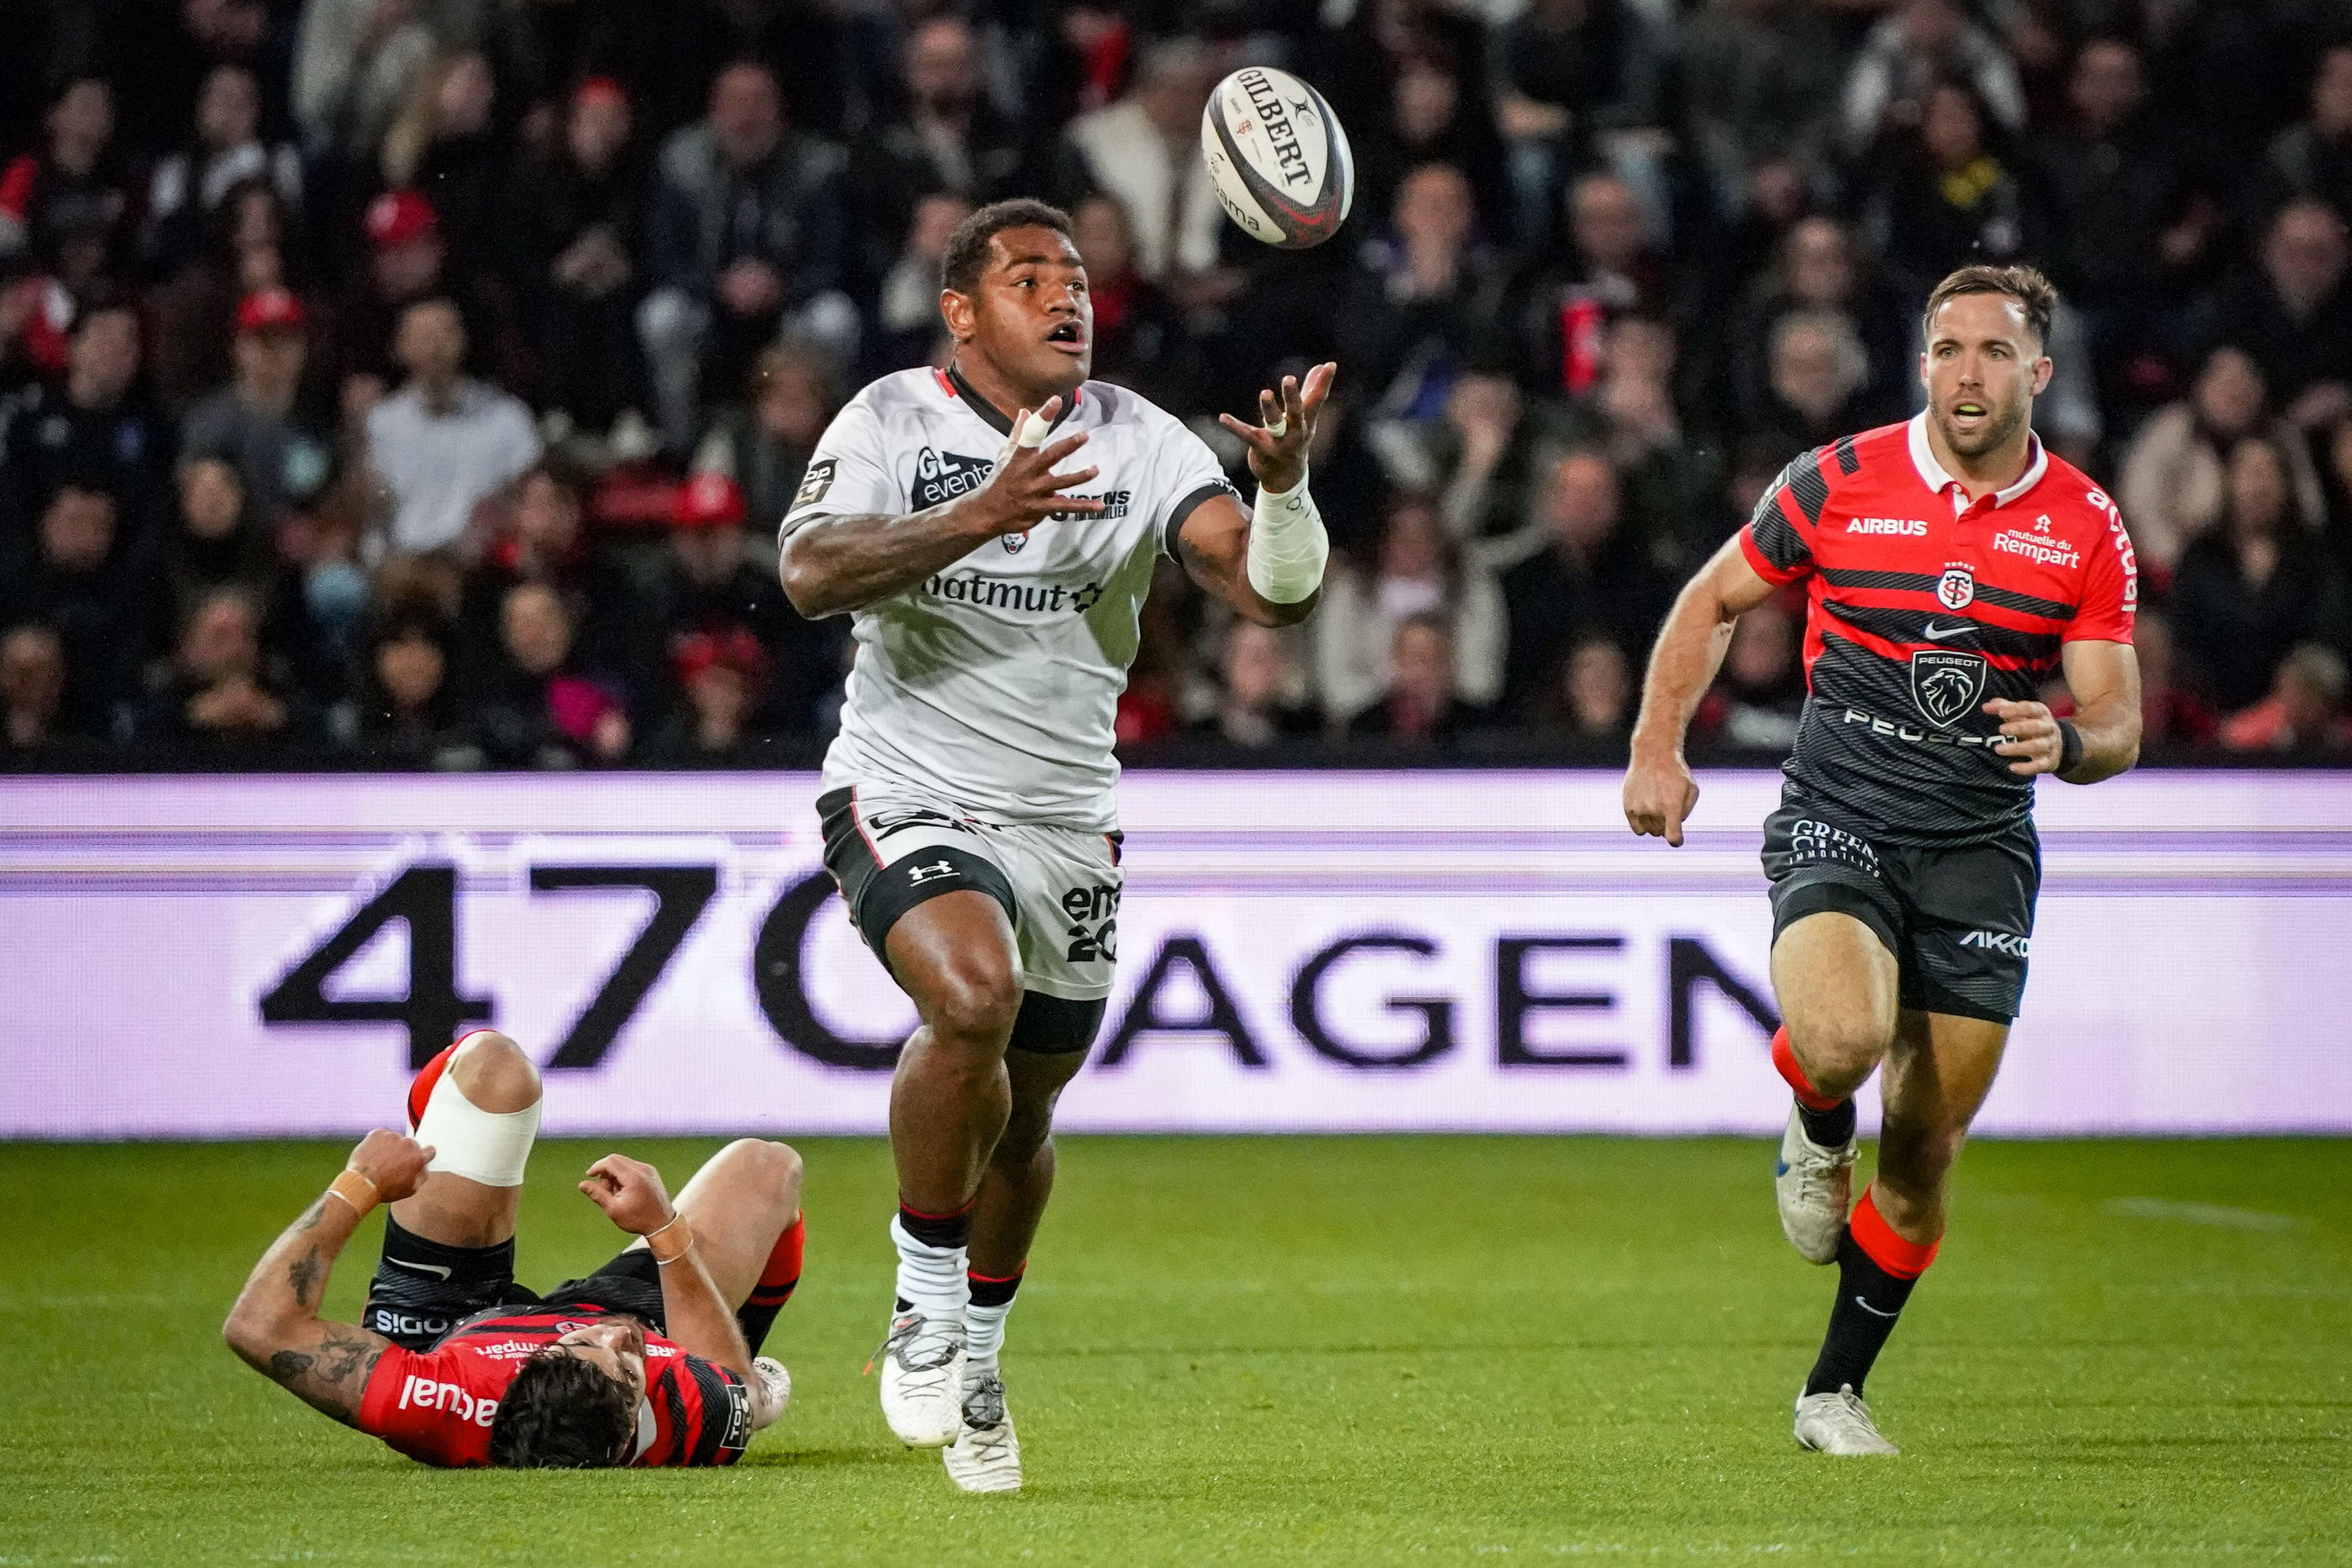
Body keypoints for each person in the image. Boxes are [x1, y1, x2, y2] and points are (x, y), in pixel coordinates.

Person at [775, 197, 1334, 1492]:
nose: (1065, 297)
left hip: (1067, 814)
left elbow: (1269, 590)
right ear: (962, 311)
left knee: (1024, 1115)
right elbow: (807, 574)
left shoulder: (1137, 438)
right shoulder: (889, 421)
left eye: (1075, 277)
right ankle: (920, 1299)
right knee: (971, 999)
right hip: (905, 785)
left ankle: (977, 1351)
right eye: (1030, 277)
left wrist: (1287, 488)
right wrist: (984, 509)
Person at [1622, 265, 2140, 1455]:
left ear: (2038, 373)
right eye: (1948, 348)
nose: (1969, 372)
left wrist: (2068, 738)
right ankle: (1813, 1116)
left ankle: (1832, 1393)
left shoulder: (2083, 523)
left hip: (1980, 847)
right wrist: (1658, 744)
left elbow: (2119, 717)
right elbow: (1712, 600)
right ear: (1921, 362)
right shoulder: (1841, 480)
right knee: (1846, 1039)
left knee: (1920, 1147)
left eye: (1995, 353)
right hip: (1841, 809)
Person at [222, 1029, 801, 1467]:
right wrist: (663, 1227)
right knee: (768, 1166)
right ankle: (731, 1322)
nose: (621, 1339)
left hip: (442, 1331)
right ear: (632, 1431)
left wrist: (360, 1184)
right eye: (631, 1370)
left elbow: (258, 1327)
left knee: (495, 1069)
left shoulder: (431, 1401)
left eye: (584, 1348)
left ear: (531, 1363)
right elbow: (737, 1389)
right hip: (652, 1321)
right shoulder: (677, 1415)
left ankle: (440, 1128)